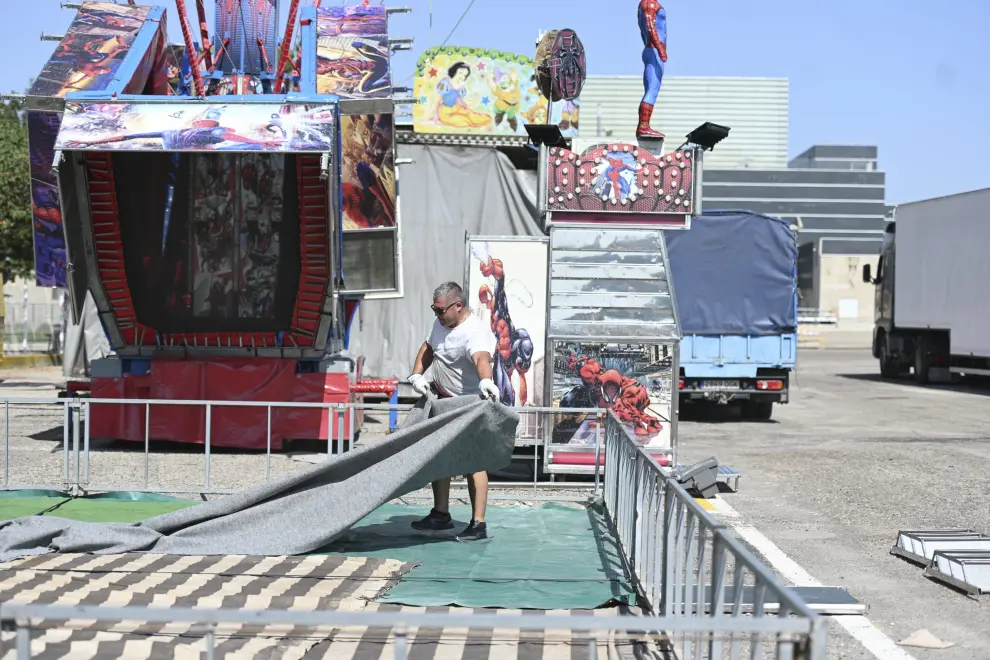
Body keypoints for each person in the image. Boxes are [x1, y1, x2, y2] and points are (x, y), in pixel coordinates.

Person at [407, 282, 500, 541]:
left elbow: (481, 358)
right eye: (433, 310)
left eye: (440, 310)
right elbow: (428, 347)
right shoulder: (441, 323)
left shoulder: (475, 332)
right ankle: (441, 514)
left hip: (470, 403)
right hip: (443, 400)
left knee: (474, 463)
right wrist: (416, 373)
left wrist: (486, 380)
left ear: (458, 306)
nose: (436, 315)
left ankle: (478, 524)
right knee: (440, 456)